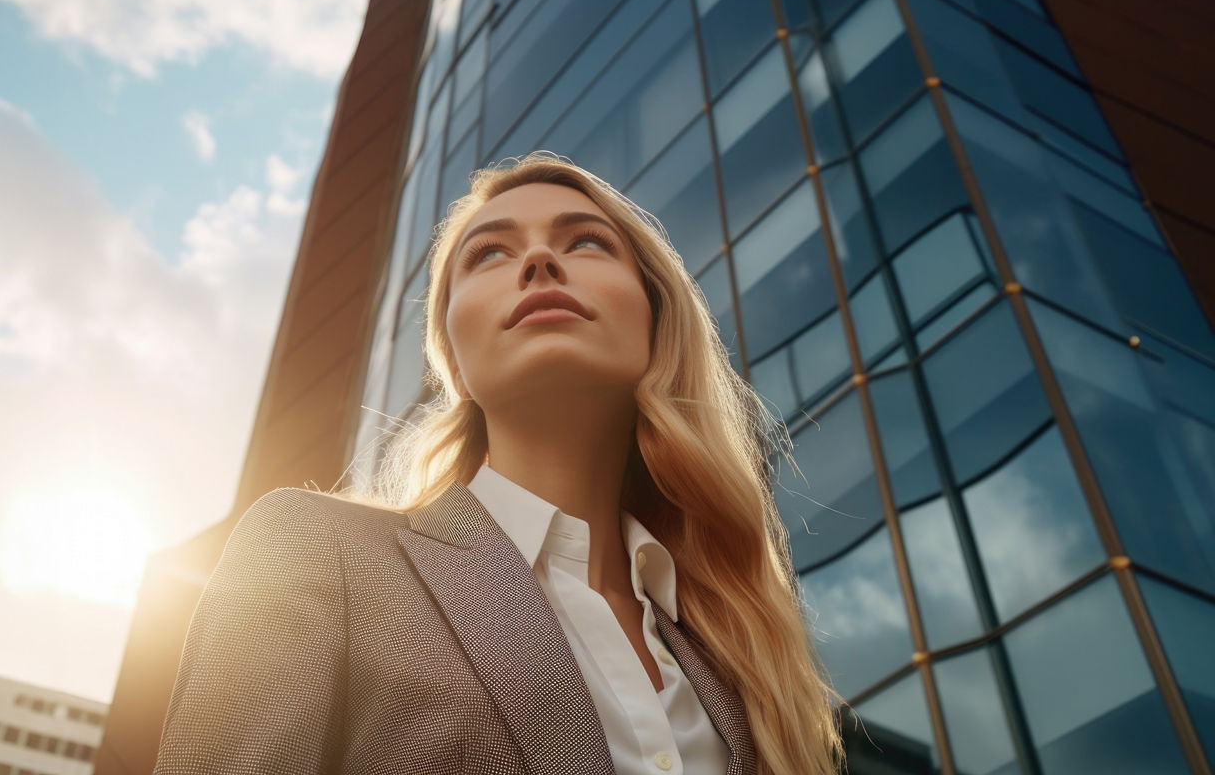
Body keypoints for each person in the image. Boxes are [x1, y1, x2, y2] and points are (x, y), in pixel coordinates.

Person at [152, 151, 844, 775]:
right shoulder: (314, 550)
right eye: (488, 255)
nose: (539, 263)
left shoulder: (737, 653)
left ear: (656, 319)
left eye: (586, 242)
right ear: (453, 358)